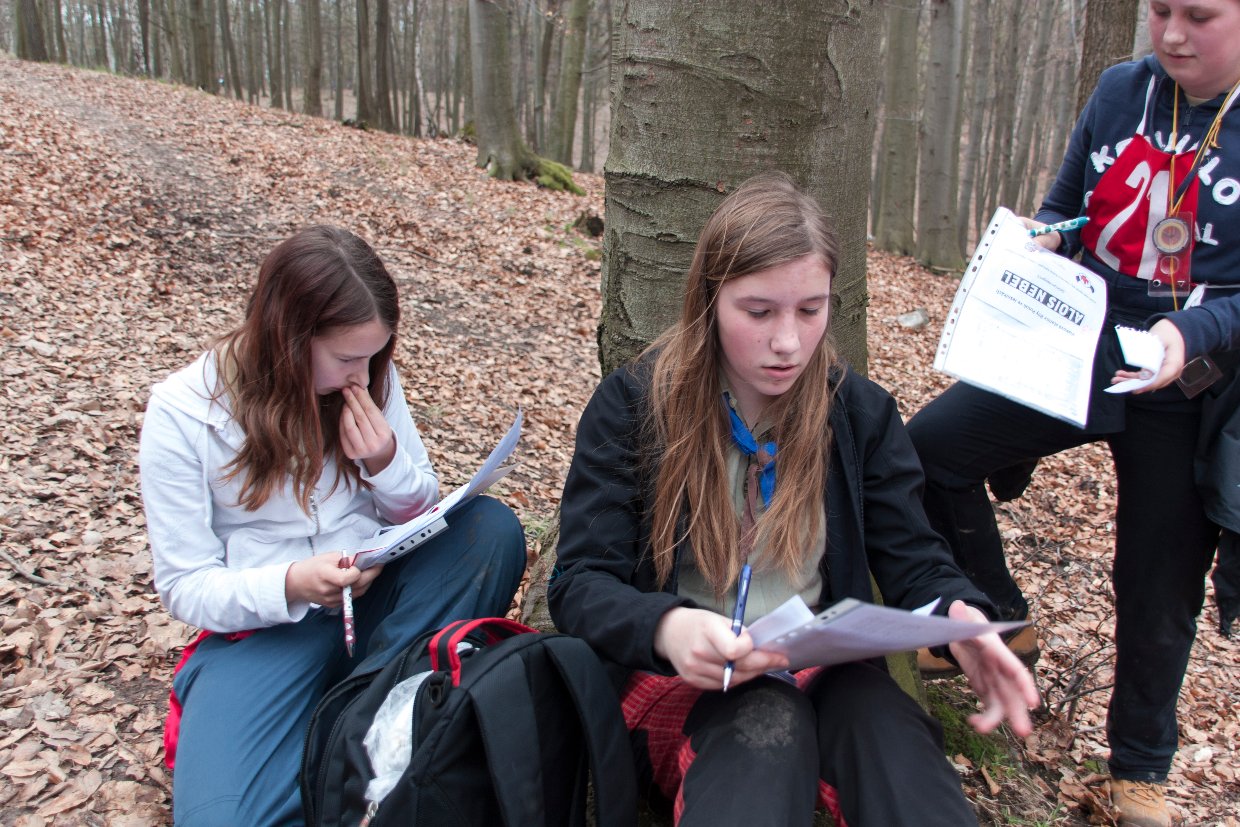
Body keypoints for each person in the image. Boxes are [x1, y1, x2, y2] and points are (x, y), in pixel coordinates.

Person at [547, 173, 1039, 827]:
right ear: (709, 300)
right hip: (673, 680)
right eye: (759, 312)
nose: (788, 341)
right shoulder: (635, 405)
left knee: (889, 731)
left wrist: (959, 621)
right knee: (766, 719)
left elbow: (915, 558)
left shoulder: (858, 414)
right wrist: (669, 627)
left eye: (810, 310)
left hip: (819, 670)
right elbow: (580, 581)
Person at [906, 3, 1240, 825]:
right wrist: (1043, 238)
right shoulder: (1122, 90)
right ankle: (998, 623)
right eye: (1160, 9)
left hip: (1186, 378)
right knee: (930, 449)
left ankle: (1138, 772)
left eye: (1199, 16)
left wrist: (1189, 330)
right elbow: (1070, 208)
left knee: (1156, 580)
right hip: (1079, 349)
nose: (1170, 34)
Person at [138, 226, 526, 826]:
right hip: (267, 633)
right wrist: (292, 582)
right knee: (223, 818)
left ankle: (371, 714)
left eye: (374, 356)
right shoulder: (184, 412)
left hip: (382, 609)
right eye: (346, 358)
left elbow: (421, 510)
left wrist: (385, 462)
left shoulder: (368, 379)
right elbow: (185, 585)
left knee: (488, 530)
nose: (362, 375)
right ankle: (351, 744)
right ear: (287, 338)